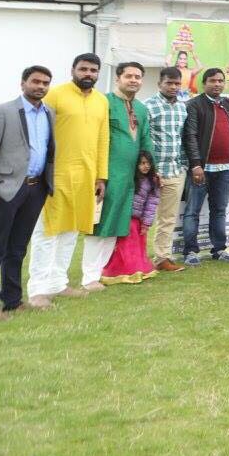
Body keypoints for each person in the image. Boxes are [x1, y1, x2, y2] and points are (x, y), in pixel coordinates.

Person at [28, 53, 109, 304]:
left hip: (86, 176)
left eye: (93, 70)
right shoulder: (55, 95)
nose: (88, 74)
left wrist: (101, 176)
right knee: (48, 231)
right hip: (56, 174)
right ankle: (38, 290)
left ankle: (58, 283)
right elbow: (39, 133)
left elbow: (102, 139)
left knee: (71, 231)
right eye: (83, 69)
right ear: (73, 69)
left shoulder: (101, 101)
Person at [0, 65, 54, 319]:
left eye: (45, 83)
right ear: (23, 83)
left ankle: (12, 300)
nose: (40, 86)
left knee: (18, 248)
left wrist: (46, 184)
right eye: (36, 81)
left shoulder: (49, 113)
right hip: (7, 191)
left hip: (36, 189)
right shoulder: (3, 112)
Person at [180, 67, 229, 265]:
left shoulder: (228, 104)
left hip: (225, 170)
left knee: (219, 210)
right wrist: (196, 165)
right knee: (192, 211)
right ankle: (190, 252)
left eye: (220, 81)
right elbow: (190, 137)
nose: (217, 84)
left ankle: (220, 249)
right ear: (204, 84)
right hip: (201, 170)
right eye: (213, 81)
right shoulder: (194, 105)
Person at [87, 62, 154, 289]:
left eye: (137, 76)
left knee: (118, 226)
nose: (133, 80)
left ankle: (101, 273)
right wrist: (99, 174)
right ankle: (89, 276)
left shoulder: (142, 109)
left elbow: (145, 141)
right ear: (118, 78)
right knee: (101, 224)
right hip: (108, 174)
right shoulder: (104, 103)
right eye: (129, 76)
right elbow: (95, 138)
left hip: (130, 179)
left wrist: (150, 171)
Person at [144, 66, 191, 270]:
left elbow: (182, 139)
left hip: (175, 171)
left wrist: (184, 166)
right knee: (140, 218)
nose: (173, 87)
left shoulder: (182, 107)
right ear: (159, 84)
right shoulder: (147, 106)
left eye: (177, 83)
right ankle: (134, 259)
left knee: (168, 218)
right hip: (151, 173)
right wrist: (149, 170)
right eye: (169, 83)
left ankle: (162, 258)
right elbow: (143, 140)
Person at [100, 150, 160, 284]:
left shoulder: (152, 182)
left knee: (136, 246)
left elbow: (151, 204)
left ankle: (135, 269)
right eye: (142, 163)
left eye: (148, 163)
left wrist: (146, 223)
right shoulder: (129, 179)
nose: (146, 166)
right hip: (124, 218)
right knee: (124, 245)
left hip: (138, 220)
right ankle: (122, 270)